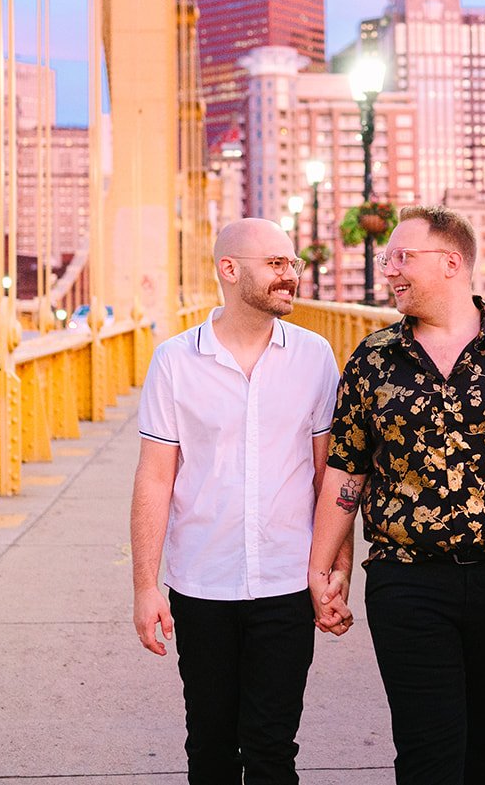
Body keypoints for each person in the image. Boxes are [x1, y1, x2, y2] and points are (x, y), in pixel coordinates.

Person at [308, 205, 485, 785]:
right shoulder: (373, 358)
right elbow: (345, 470)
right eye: (388, 258)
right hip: (406, 579)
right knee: (427, 752)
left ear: (452, 263)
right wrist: (323, 570)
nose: (389, 270)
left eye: (402, 257)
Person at [131, 217, 352, 785]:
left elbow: (331, 474)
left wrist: (335, 568)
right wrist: (144, 586)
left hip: (285, 581)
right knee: (209, 747)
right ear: (229, 271)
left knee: (274, 749)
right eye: (276, 264)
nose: (291, 276)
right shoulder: (176, 361)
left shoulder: (315, 355)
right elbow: (155, 477)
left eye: (292, 264)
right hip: (202, 583)